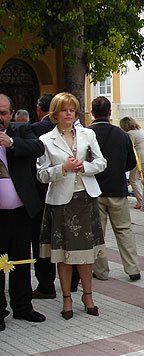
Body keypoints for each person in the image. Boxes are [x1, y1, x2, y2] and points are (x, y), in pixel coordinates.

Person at [37, 92, 107, 320]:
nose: (69, 114)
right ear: (54, 113)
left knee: (85, 254)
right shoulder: (46, 140)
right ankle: (66, 298)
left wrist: (83, 166)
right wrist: (63, 168)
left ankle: (88, 295)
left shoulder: (88, 134)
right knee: (64, 255)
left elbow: (101, 162)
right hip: (61, 203)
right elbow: (41, 175)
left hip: (85, 199)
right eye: (64, 110)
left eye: (72, 110)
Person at [0, 93, 47, 332]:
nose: (1, 118)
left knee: (20, 259)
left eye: (4, 113)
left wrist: (11, 143)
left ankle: (22, 306)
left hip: (20, 212)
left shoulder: (20, 131)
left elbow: (39, 148)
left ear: (10, 114)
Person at [88, 97, 141, 282]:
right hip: (118, 189)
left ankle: (101, 271)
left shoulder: (86, 134)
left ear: (92, 112)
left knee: (97, 233)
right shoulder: (122, 134)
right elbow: (131, 162)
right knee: (124, 230)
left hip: (94, 190)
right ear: (110, 113)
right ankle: (133, 268)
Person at [30, 94, 57, 300]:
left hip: (41, 196)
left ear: (40, 110)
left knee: (42, 243)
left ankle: (46, 284)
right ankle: (72, 283)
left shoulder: (35, 130)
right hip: (65, 195)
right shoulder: (75, 132)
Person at [119, 116, 144, 209]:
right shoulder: (140, 131)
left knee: (133, 179)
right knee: (139, 179)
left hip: (139, 158)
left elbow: (126, 147)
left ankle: (141, 201)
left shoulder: (130, 134)